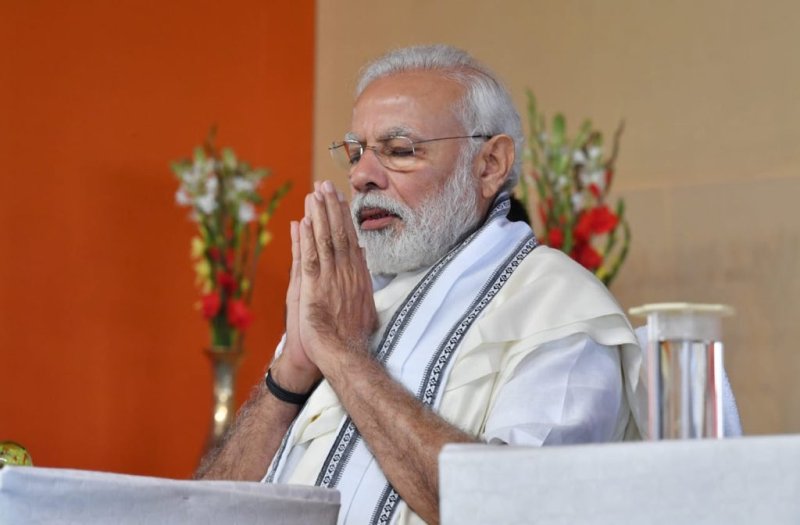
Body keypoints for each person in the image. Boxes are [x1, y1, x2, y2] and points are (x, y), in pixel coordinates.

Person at [195, 45, 643, 525]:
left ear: (489, 164)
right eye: (355, 152)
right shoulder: (347, 298)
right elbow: (199, 514)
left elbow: (510, 509)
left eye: (399, 151)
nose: (362, 176)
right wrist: (290, 375)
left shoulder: (559, 307)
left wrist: (346, 357)